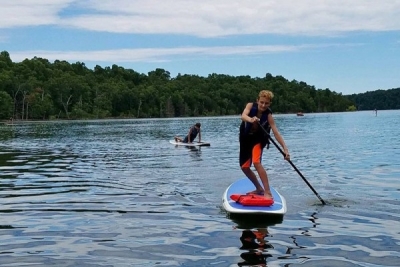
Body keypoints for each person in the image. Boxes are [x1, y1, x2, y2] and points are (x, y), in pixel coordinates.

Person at [239, 90, 290, 199]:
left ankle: (268, 192)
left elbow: (276, 133)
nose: (263, 105)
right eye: (261, 102)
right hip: (245, 139)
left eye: (266, 103)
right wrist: (251, 119)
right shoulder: (250, 105)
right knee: (244, 167)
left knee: (256, 162)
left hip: (258, 140)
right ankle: (259, 188)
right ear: (258, 100)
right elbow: (243, 116)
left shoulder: (268, 116)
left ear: (269, 104)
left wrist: (285, 149)